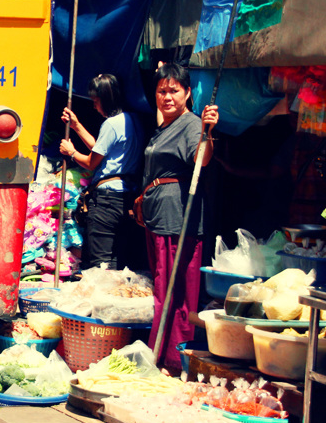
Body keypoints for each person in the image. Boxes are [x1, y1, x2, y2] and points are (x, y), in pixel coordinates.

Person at [141, 63, 219, 373]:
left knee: (174, 290)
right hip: (159, 215)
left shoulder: (191, 124)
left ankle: (168, 359)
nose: (167, 97)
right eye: (162, 91)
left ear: (188, 93)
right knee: (163, 287)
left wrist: (207, 131)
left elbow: (201, 158)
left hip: (177, 218)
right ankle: (161, 355)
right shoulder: (164, 126)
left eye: (174, 90)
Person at [59, 74, 145, 271]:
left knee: (101, 263)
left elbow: (91, 162)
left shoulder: (112, 124)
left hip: (106, 201)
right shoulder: (132, 120)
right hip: (126, 199)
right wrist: (77, 126)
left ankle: (102, 301)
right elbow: (101, 149)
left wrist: (71, 153)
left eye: (96, 101)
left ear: (106, 99)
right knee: (115, 259)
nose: (94, 106)